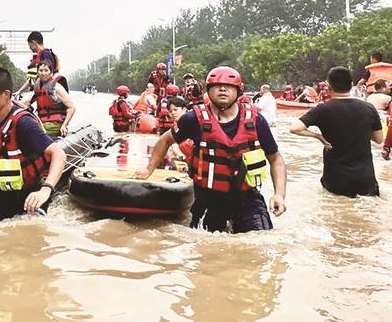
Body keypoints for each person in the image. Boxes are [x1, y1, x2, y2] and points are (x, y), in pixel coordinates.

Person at [134, 66, 287, 233]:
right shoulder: (193, 119)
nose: (222, 89)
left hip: (247, 197)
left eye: (228, 86)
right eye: (217, 86)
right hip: (209, 198)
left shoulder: (256, 120)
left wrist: (279, 194)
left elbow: (275, 159)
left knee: (260, 241)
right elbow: (165, 140)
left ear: (238, 91)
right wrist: (149, 170)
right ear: (208, 90)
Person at [0, 67, 67, 222]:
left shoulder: (24, 124)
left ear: (6, 95)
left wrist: (46, 189)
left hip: (30, 196)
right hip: (3, 194)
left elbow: (59, 154)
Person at [290, 66, 383, 197]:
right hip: (366, 180)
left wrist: (318, 136)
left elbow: (294, 128)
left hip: (337, 180)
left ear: (328, 86)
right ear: (351, 85)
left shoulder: (323, 109)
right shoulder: (368, 107)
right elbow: (379, 139)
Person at [29, 61, 75, 137]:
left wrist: (64, 125)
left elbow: (72, 108)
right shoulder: (37, 86)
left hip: (55, 125)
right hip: (41, 123)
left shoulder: (56, 87)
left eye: (46, 70)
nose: (43, 73)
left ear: (51, 73)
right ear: (37, 72)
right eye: (41, 70)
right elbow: (26, 102)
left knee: (34, 134)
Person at [15, 31, 60, 96]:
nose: (29, 47)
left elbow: (47, 76)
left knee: (23, 103)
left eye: (29, 45)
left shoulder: (45, 54)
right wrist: (19, 92)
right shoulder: (42, 55)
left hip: (48, 92)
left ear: (33, 43)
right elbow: (32, 79)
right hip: (42, 91)